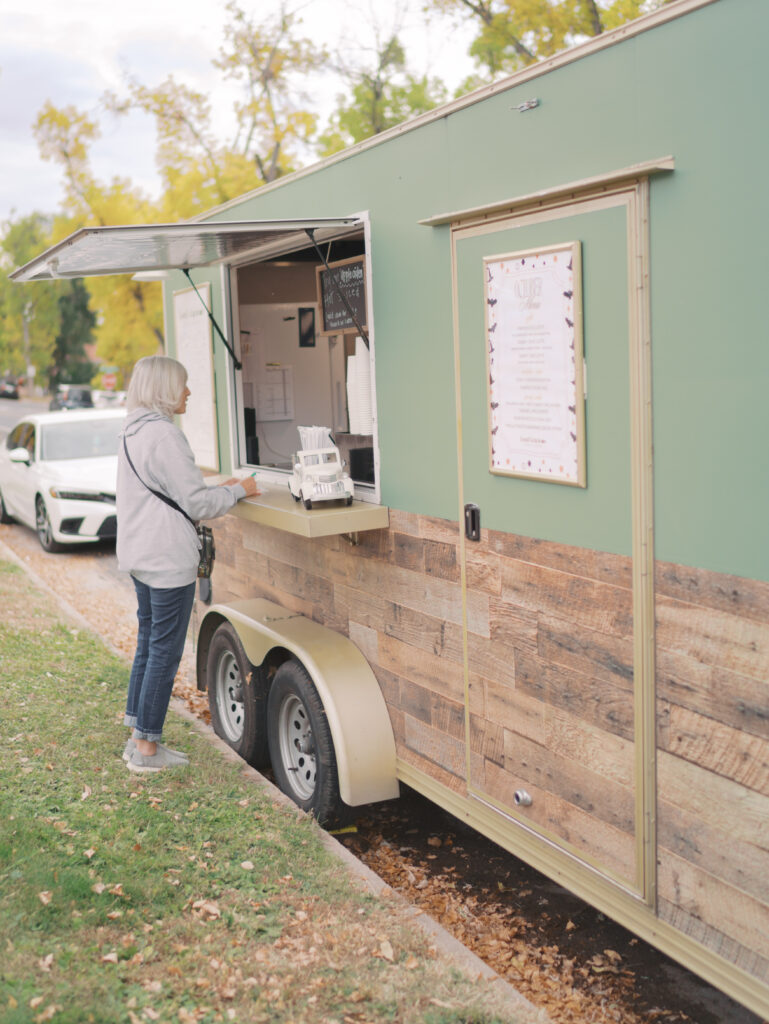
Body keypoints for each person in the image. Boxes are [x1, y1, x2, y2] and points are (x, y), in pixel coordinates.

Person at [116, 355, 259, 773]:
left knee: (148, 645)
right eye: (184, 384)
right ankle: (146, 751)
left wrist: (222, 487)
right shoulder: (165, 436)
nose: (189, 392)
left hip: (142, 556)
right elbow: (196, 504)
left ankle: (138, 735)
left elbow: (175, 491)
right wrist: (241, 491)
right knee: (164, 650)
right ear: (164, 389)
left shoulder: (133, 430)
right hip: (166, 560)